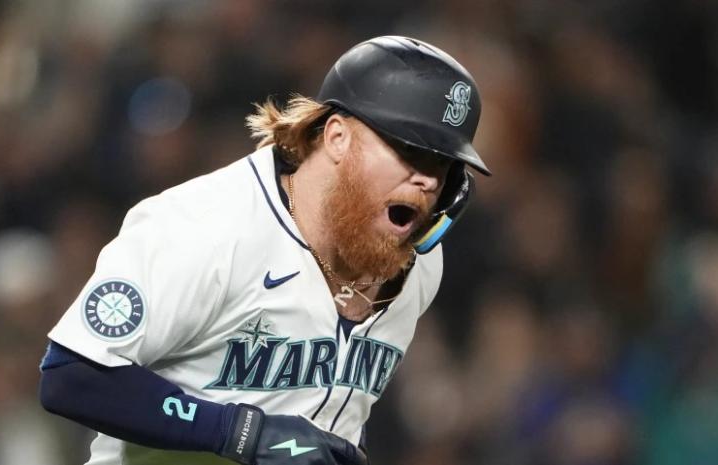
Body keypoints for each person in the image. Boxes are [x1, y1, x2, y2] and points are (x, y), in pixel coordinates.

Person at [38, 35, 490, 465]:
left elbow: (332, 407)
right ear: (336, 137)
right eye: (411, 151)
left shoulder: (421, 262)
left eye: (444, 166)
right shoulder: (206, 228)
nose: (428, 180)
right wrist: (238, 431)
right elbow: (71, 376)